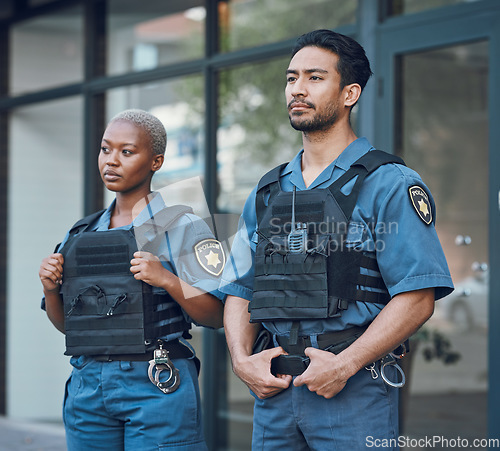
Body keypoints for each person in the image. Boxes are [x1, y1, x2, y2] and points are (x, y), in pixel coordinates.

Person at [221, 29, 454, 450]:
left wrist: (344, 365)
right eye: (291, 78)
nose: (297, 89)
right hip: (274, 389)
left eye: (314, 77)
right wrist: (241, 360)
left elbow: (418, 296)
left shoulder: (390, 183)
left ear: (349, 93)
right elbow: (241, 287)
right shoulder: (268, 190)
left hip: (352, 389)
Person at [39, 109, 224, 451]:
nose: (111, 160)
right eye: (105, 149)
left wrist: (167, 279)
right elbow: (70, 327)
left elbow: (216, 316)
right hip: (89, 388)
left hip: (157, 382)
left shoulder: (184, 225)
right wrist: (51, 291)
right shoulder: (81, 233)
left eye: (127, 152)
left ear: (156, 161)